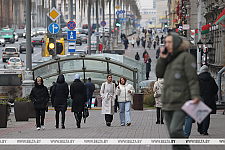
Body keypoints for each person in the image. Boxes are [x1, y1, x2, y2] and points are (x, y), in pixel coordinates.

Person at [156, 32, 200, 150]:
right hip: (167, 102)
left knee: (176, 129)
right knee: (172, 134)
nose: (167, 45)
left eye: (169, 42)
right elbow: (159, 73)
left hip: (181, 101)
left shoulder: (186, 58)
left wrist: (195, 95)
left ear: (176, 43)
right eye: (166, 42)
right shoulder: (168, 58)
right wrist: (162, 58)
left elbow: (193, 79)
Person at [197, 65, 218, 135]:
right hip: (209, 99)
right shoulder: (211, 79)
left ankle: (200, 129)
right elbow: (215, 89)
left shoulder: (198, 79)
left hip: (200, 99)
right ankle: (205, 130)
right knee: (207, 115)